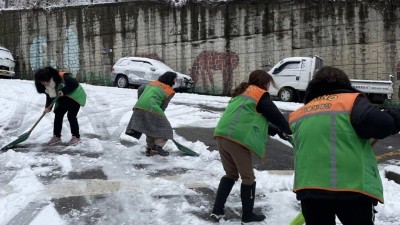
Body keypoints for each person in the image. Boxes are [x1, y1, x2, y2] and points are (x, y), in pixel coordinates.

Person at [288, 66, 400, 225]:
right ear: (344, 83)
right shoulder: (350, 102)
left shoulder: (299, 114)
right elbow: (383, 124)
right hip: (350, 192)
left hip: (310, 192)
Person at [211, 70, 292, 224]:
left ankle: (217, 210)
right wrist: (288, 129)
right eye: (268, 83)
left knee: (230, 174)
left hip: (222, 135)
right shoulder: (259, 94)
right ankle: (247, 216)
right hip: (236, 139)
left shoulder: (242, 93)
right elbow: (275, 115)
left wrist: (277, 131)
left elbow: (253, 119)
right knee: (248, 178)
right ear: (264, 83)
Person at [125, 71, 177, 156]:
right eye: (174, 79)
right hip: (152, 108)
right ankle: (158, 146)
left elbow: (140, 88)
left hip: (139, 106)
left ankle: (150, 148)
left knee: (150, 127)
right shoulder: (169, 91)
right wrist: (160, 114)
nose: (175, 81)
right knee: (166, 129)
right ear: (170, 79)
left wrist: (141, 100)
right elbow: (164, 105)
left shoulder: (153, 83)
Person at [34, 66, 87, 146]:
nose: (44, 83)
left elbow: (74, 84)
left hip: (75, 96)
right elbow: (49, 96)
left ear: (49, 78)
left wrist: (64, 91)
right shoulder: (45, 85)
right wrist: (48, 107)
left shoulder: (63, 77)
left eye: (45, 81)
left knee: (71, 116)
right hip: (63, 97)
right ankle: (56, 136)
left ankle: (76, 136)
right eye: (42, 82)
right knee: (58, 114)